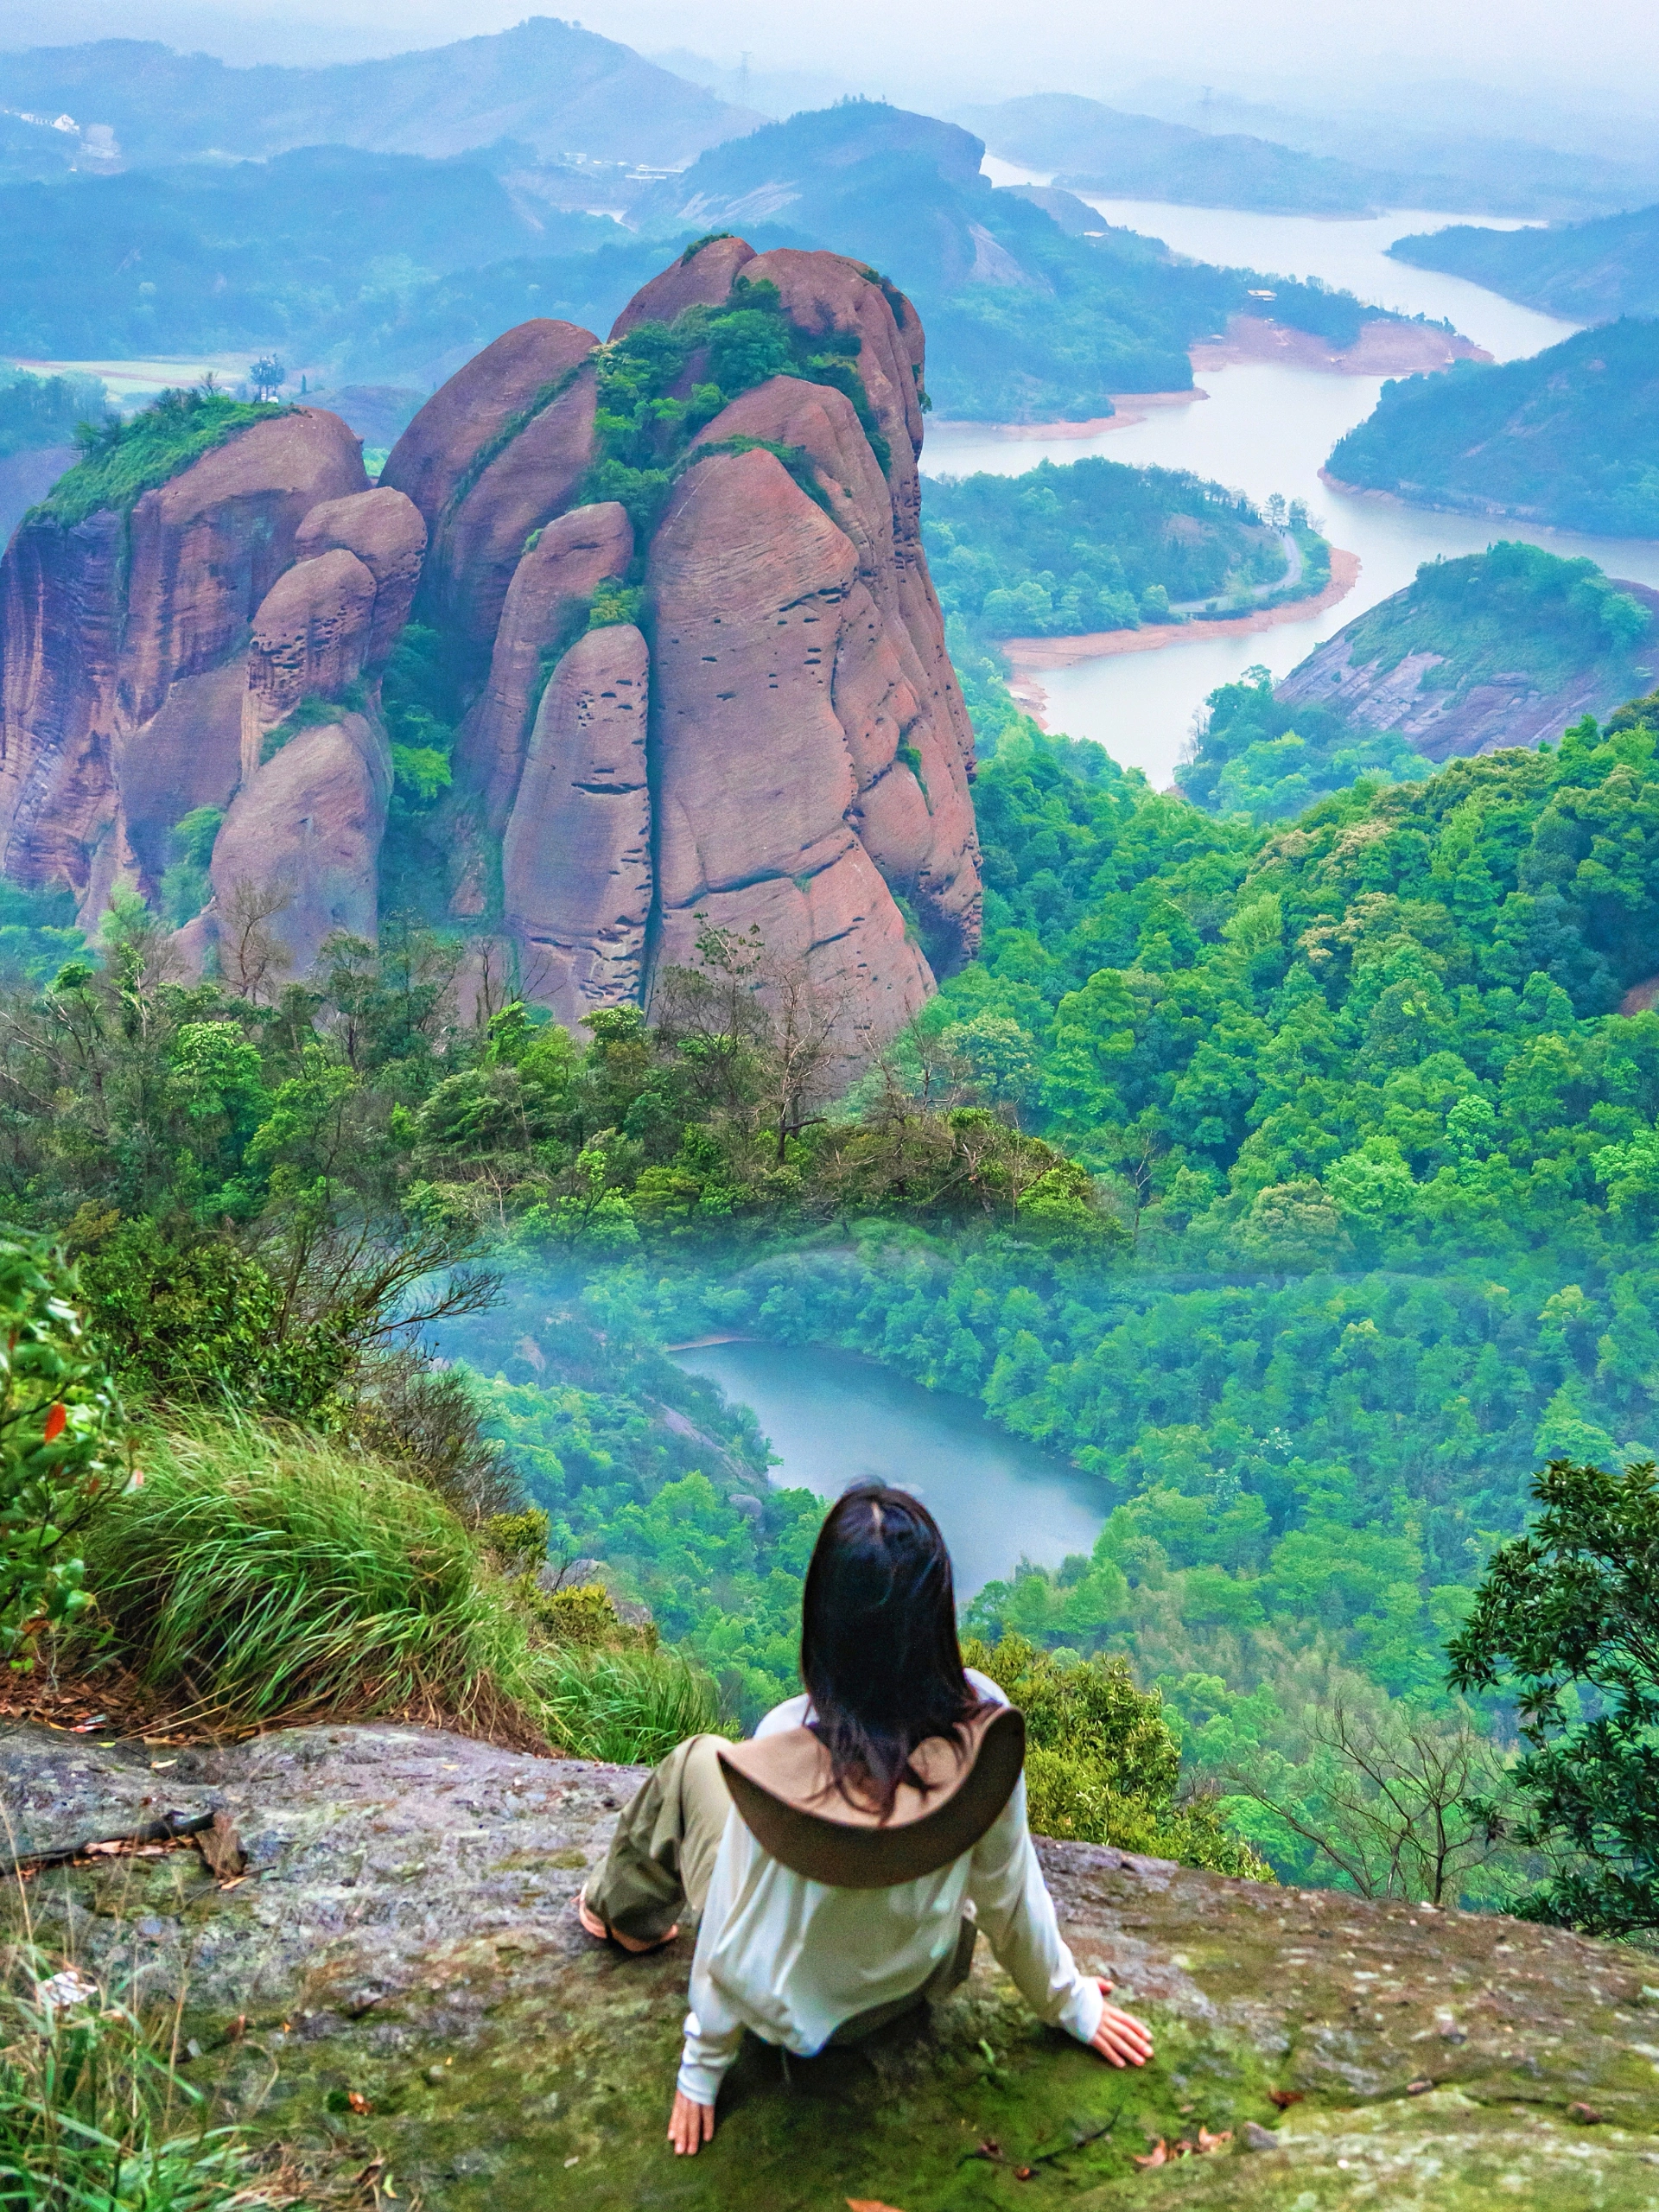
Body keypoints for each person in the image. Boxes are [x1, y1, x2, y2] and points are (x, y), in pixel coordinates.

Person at [576, 1480, 1154, 2157]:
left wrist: (701, 2071)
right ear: (938, 1612)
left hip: (784, 2022)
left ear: (823, 1618)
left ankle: (621, 1915)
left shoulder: (783, 1749)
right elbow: (1010, 1895)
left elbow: (734, 1934)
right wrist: (1070, 2005)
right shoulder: (981, 1730)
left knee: (699, 1759)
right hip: (906, 1991)